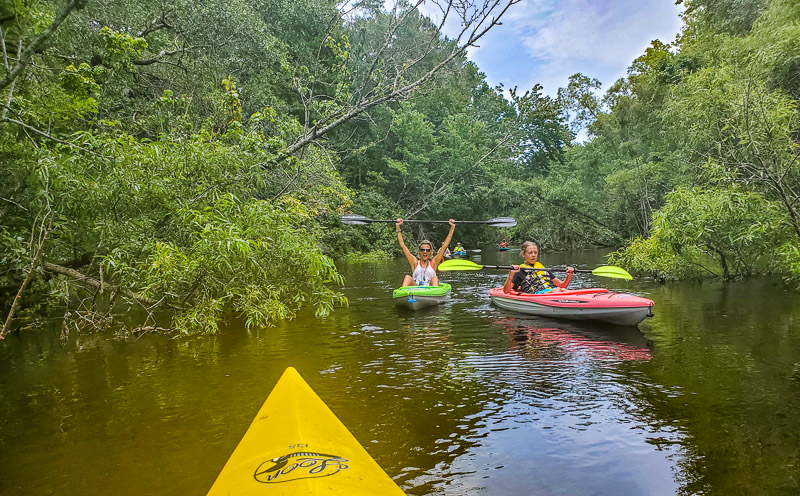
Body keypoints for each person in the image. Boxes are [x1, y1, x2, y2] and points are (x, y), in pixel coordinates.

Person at [396, 218, 455, 287]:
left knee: (435, 278)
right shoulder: (414, 262)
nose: (425, 251)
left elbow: (445, 245)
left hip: (430, 291)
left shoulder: (434, 263)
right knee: (407, 277)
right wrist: (398, 227)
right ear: (419, 252)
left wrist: (452, 227)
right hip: (416, 290)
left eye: (427, 250)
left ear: (430, 252)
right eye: (422, 250)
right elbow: (402, 245)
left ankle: (435, 296)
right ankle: (405, 295)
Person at [503, 241, 575, 294]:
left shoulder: (542, 268)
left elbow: (562, 285)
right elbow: (506, 291)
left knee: (563, 290)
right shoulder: (519, 271)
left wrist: (569, 275)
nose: (533, 255)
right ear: (523, 254)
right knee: (558, 290)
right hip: (538, 295)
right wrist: (511, 274)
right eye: (530, 253)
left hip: (552, 291)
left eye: (535, 252)